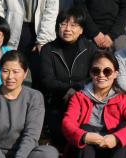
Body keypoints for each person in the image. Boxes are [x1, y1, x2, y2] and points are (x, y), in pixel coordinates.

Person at [39, 9, 95, 138]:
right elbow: (47, 80)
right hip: (57, 101)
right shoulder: (48, 49)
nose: (67, 29)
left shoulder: (90, 48)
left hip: (85, 100)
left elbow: (94, 76)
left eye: (73, 25)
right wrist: (67, 90)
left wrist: (76, 90)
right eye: (63, 24)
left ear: (81, 30)